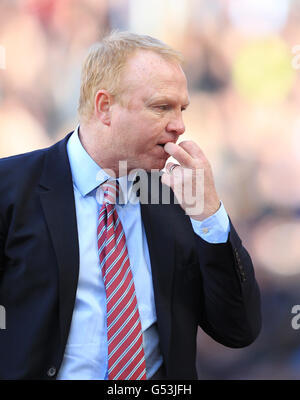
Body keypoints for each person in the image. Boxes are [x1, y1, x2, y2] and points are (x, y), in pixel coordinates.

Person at [0, 31, 261, 380]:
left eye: (182, 108)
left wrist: (209, 215)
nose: (179, 125)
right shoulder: (12, 187)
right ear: (104, 107)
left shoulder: (179, 197)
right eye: (161, 107)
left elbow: (238, 328)